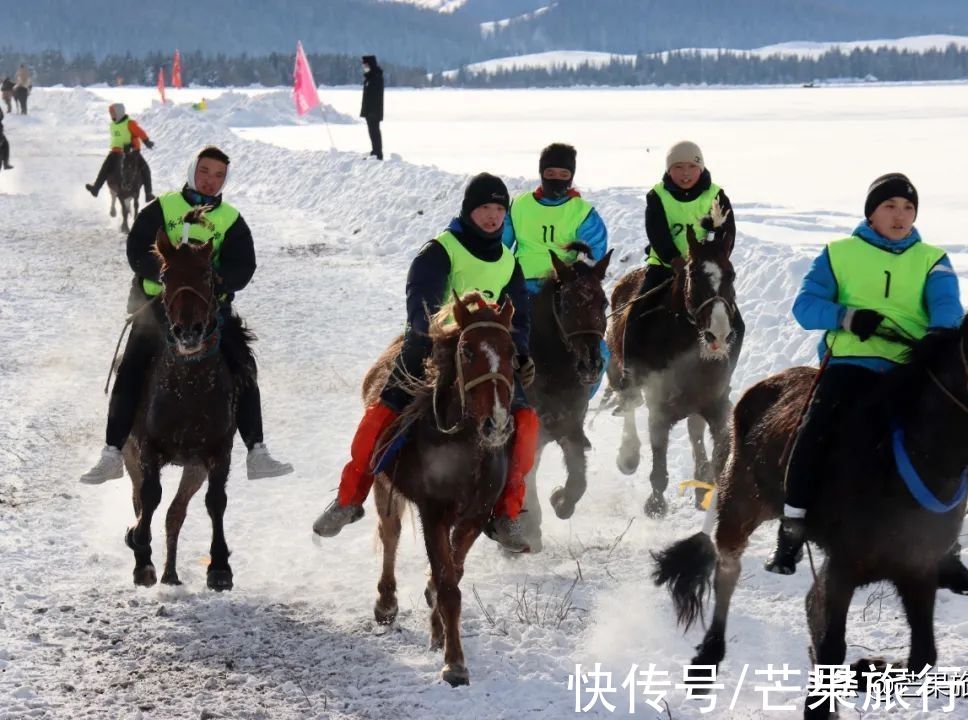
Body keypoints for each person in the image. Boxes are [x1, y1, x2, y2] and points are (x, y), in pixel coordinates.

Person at [312, 173, 539, 552]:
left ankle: (507, 514)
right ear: (469, 209)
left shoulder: (508, 262)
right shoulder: (439, 250)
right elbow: (420, 303)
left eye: (500, 209)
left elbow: (519, 316)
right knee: (379, 415)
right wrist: (447, 335)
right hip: (428, 350)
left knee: (526, 423)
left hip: (484, 359)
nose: (493, 217)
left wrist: (521, 351)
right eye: (485, 208)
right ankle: (349, 499)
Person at [764, 173, 965, 575]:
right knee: (816, 428)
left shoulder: (933, 259)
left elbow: (948, 308)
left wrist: (938, 337)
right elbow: (805, 307)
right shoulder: (838, 254)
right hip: (851, 364)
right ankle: (793, 526)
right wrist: (847, 317)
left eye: (908, 208)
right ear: (871, 212)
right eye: (890, 206)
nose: (900, 216)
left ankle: (948, 549)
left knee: (951, 438)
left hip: (909, 368)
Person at [79, 146, 294, 485]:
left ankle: (257, 450)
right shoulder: (162, 208)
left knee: (244, 366)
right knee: (131, 367)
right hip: (157, 309)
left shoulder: (231, 219)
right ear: (193, 170)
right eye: (205, 172)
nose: (210, 180)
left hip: (210, 313)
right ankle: (112, 452)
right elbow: (136, 251)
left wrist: (214, 280)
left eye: (219, 175)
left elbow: (244, 265)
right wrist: (171, 273)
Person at [618, 141, 735, 394]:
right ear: (669, 170)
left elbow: (728, 233)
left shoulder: (716, 195)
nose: (685, 173)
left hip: (704, 273)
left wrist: (715, 258)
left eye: (692, 166)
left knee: (736, 321)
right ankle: (630, 374)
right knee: (637, 310)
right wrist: (675, 260)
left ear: (701, 168)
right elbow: (657, 232)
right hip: (665, 267)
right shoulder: (658, 195)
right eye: (678, 167)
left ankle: (724, 380)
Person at [503, 142, 609, 394]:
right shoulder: (519, 205)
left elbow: (595, 255)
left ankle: (581, 397)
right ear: (542, 173)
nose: (557, 179)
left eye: (564, 175)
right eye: (551, 174)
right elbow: (501, 245)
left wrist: (577, 274)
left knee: (600, 349)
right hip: (522, 286)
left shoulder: (583, 212)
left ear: (572, 176)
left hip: (565, 289)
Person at [85, 103, 155, 203]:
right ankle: (96, 188)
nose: (111, 115)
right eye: (110, 113)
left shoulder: (129, 123)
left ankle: (148, 194)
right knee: (104, 168)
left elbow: (139, 132)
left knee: (146, 169)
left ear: (119, 112)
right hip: (115, 152)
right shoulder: (112, 124)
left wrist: (146, 141)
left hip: (131, 152)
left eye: (113, 113)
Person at [359, 55, 384, 161]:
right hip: (369, 110)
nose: (364, 67)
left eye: (366, 65)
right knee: (372, 131)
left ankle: (377, 153)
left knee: (375, 132)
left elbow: (376, 95)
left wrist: (372, 110)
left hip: (374, 110)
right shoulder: (370, 76)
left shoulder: (376, 76)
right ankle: (375, 152)